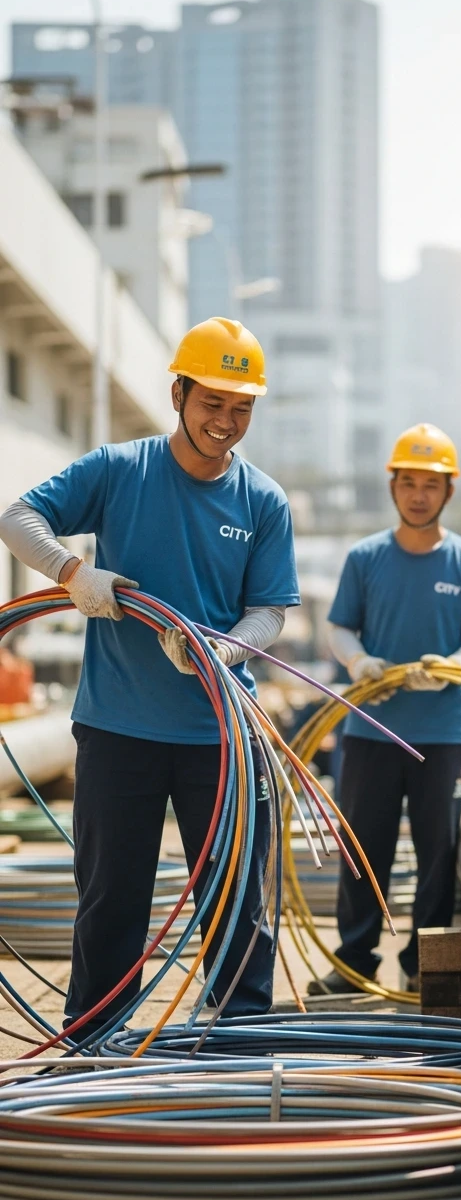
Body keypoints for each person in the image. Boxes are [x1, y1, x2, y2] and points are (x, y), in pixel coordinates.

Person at [0, 317, 300, 1033]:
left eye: (242, 407)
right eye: (212, 403)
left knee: (236, 902)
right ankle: (95, 1041)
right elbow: (18, 517)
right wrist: (76, 574)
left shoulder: (263, 501)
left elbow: (269, 612)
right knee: (113, 898)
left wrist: (225, 649)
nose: (226, 422)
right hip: (117, 728)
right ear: (178, 393)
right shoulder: (118, 469)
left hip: (221, 733)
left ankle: (237, 1033)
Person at [310, 423, 461, 994]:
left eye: (431, 484)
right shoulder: (366, 557)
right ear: (392, 486)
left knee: (436, 854)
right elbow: (339, 626)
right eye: (409, 482)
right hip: (370, 729)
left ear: (449, 491)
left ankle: (425, 966)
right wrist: (359, 663)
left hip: (442, 733)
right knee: (363, 849)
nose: (419, 494)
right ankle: (356, 960)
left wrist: (448, 664)